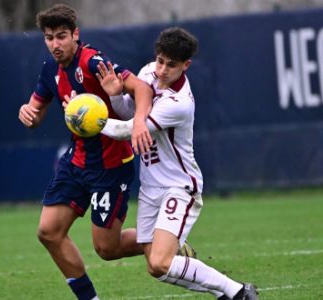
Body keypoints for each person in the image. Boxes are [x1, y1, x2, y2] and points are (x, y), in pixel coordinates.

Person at [97, 27, 259, 299]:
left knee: (161, 261)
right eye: (160, 60)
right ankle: (227, 293)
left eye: (171, 65)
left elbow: (129, 130)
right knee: (155, 267)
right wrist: (115, 96)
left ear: (186, 66)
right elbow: (132, 114)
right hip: (150, 188)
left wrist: (88, 119)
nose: (162, 70)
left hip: (179, 186)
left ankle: (239, 292)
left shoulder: (179, 103)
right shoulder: (148, 71)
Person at [18, 4, 154, 300]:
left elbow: (142, 88)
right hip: (76, 162)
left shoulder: (93, 62)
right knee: (49, 231)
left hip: (110, 166)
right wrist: (27, 112)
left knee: (108, 249)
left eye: (62, 36)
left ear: (75, 34)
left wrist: (139, 123)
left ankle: (162, 239)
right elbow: (36, 111)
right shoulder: (50, 69)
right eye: (49, 37)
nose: (55, 44)